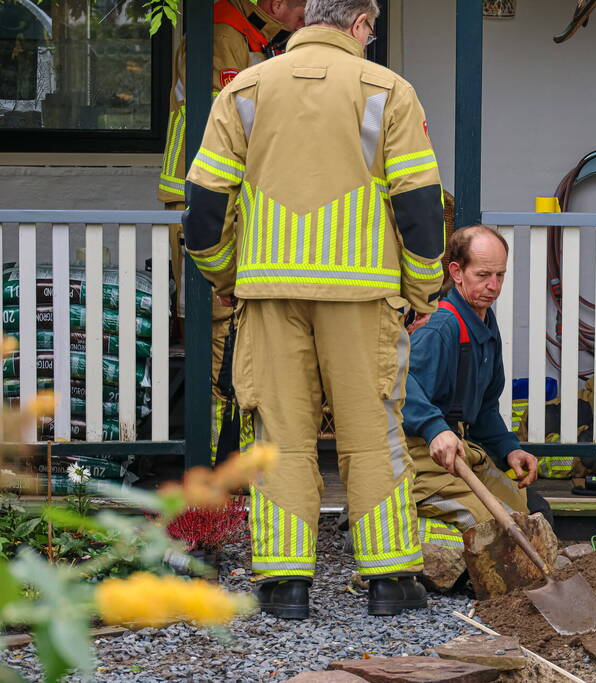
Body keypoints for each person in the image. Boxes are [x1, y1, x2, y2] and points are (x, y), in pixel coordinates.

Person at [181, 0, 445, 619]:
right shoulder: (389, 90)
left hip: (270, 294)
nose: (370, 38)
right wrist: (422, 291)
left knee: (279, 437)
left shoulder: (243, 90)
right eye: (371, 29)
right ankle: (389, 581)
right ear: (358, 24)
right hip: (363, 296)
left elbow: (203, 208)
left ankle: (284, 586)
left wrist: (226, 275)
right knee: (373, 434)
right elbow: (419, 205)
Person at [158, 0, 306, 465]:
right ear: (277, 4)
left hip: (226, 202)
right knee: (220, 333)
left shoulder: (256, 37)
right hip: (208, 204)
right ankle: (215, 466)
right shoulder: (223, 36)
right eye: (304, 10)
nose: (308, 20)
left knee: (237, 335)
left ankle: (233, 459)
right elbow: (234, 127)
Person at [403, 226, 544, 550]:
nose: (493, 286)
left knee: (526, 515)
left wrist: (510, 449)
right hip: (420, 456)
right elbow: (401, 389)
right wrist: (434, 429)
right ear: (457, 272)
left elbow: (485, 409)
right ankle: (396, 529)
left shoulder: (485, 324)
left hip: (462, 450)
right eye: (483, 275)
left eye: (500, 275)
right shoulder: (440, 328)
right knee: (495, 529)